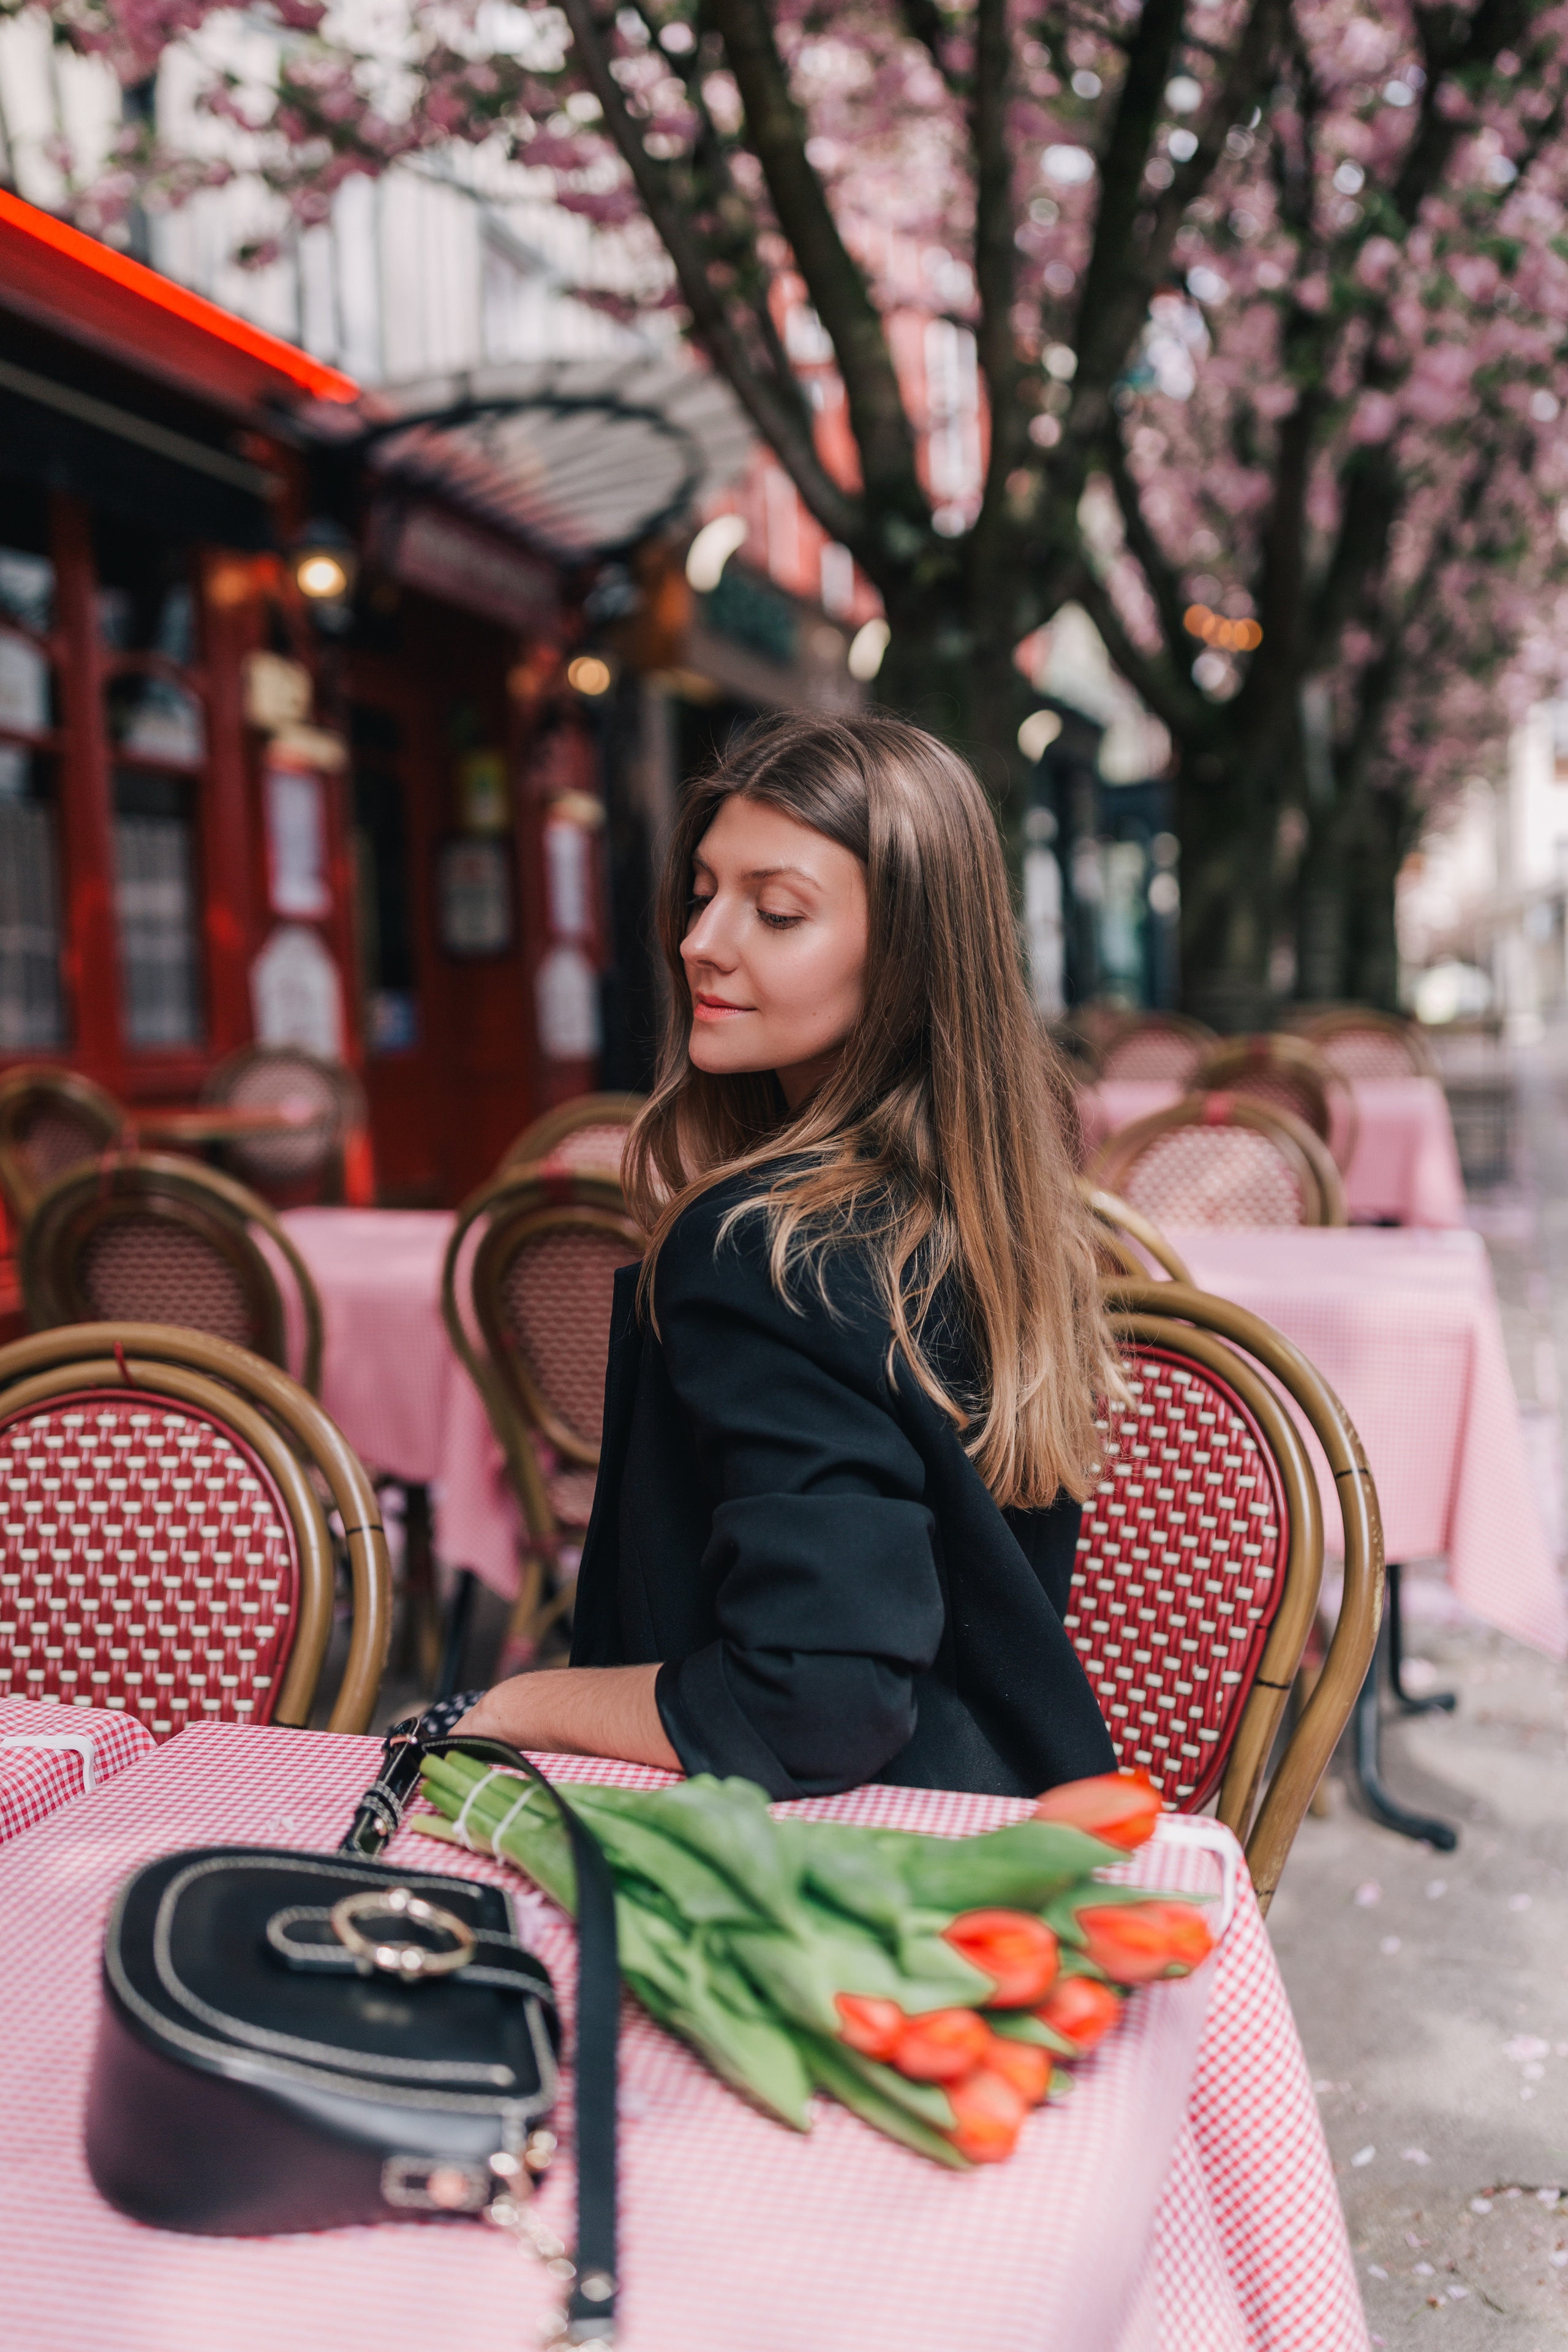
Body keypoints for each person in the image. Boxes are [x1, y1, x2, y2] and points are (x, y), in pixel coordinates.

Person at [458, 710, 1118, 1797]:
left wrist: (513, 1704)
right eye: (703, 893)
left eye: (776, 911)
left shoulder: (762, 1250)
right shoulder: (974, 1207)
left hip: (827, 1855)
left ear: (908, 955)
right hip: (1008, 1814)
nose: (701, 942)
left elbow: (811, 1700)